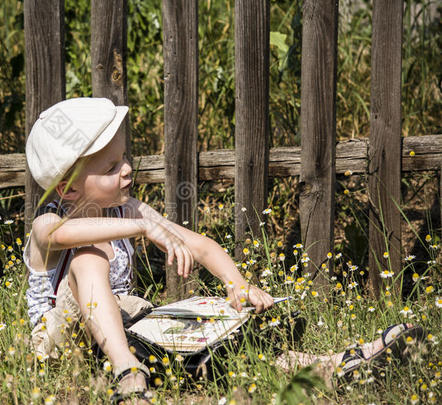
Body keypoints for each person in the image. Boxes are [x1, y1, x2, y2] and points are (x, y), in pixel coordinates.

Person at [23, 97, 424, 403]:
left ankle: (335, 365)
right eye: (110, 168)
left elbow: (199, 244)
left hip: (126, 334)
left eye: (124, 157)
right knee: (89, 253)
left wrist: (238, 284)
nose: (126, 168)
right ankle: (126, 375)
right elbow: (60, 234)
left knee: (218, 345)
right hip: (62, 345)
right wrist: (145, 225)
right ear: (68, 188)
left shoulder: (126, 208)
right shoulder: (49, 222)